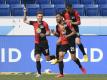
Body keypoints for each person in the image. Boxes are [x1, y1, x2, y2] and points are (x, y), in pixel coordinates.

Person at [52, 13, 86, 78]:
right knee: (61, 56)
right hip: (64, 43)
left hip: (71, 42)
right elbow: (59, 35)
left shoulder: (67, 23)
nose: (56, 19)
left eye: (58, 17)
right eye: (56, 17)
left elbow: (74, 32)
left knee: (73, 58)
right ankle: (61, 74)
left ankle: (81, 67)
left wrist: (67, 35)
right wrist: (54, 33)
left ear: (62, 17)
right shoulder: (57, 26)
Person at [23, 8, 55, 77]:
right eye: (39, 16)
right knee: (37, 57)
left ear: (42, 17)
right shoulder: (34, 23)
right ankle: (39, 73)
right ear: (36, 17)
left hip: (44, 44)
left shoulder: (45, 24)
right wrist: (25, 13)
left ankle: (55, 57)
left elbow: (49, 33)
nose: (40, 17)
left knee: (47, 59)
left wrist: (44, 34)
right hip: (37, 43)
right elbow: (24, 20)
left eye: (41, 16)